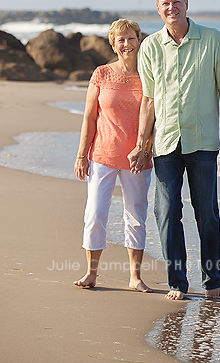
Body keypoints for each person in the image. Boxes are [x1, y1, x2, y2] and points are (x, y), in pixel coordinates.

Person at [128, 0, 220, 300]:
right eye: (165, 4)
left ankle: (212, 281)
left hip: (202, 141)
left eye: (176, 1)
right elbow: (148, 101)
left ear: (186, 3)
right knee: (166, 212)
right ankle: (178, 282)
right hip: (165, 143)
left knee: (207, 213)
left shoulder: (213, 40)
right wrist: (141, 144)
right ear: (158, 8)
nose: (171, 8)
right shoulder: (149, 47)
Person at [73, 19, 154, 292]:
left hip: (137, 159)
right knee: (95, 214)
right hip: (102, 155)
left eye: (131, 38)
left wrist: (145, 149)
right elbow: (89, 116)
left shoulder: (149, 74)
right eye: (120, 40)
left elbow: (157, 117)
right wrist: (81, 155)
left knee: (135, 216)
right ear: (113, 43)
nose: (126, 44)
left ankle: (134, 277)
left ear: (139, 40)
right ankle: (91, 273)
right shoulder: (102, 73)